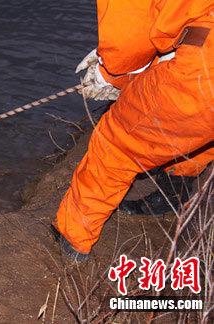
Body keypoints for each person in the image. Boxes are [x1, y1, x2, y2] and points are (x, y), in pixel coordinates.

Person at [52, 0, 214, 261]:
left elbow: (128, 38)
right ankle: (174, 191)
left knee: (117, 144)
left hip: (204, 67)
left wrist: (111, 75)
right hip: (204, 40)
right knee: (201, 131)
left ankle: (73, 238)